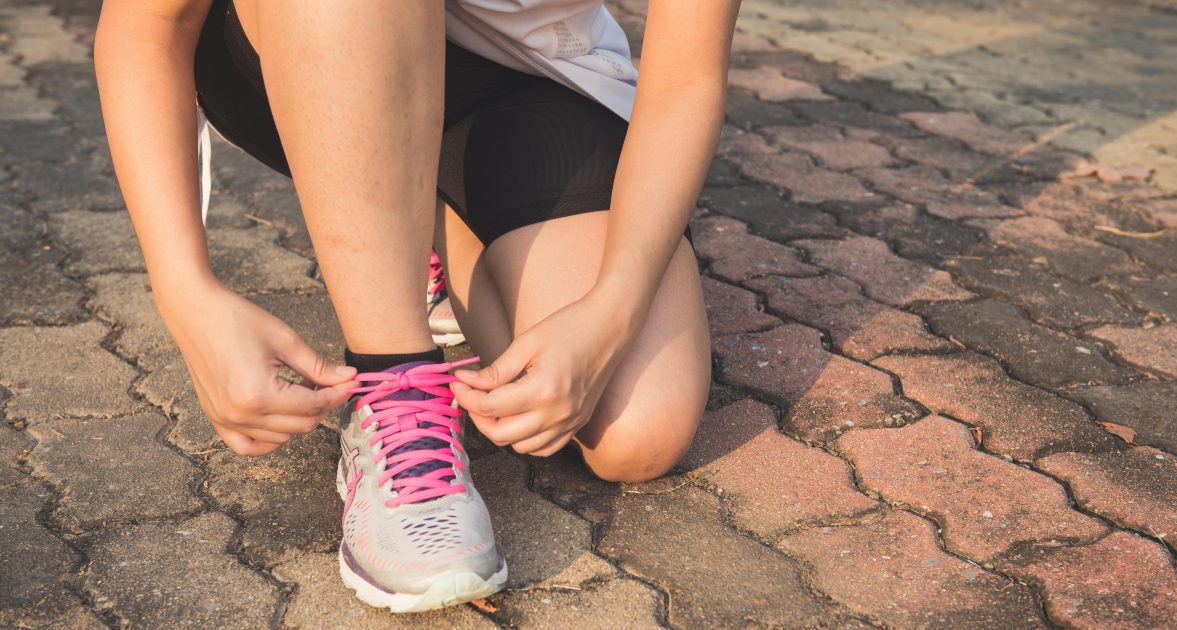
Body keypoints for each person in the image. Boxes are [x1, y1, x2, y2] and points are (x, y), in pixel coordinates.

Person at [94, 0, 739, 613]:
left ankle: (410, 224)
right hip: (308, 35)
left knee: (637, 431)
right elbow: (146, 25)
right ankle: (395, 389)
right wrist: (185, 291)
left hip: (527, 74)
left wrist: (611, 312)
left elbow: (686, 77)